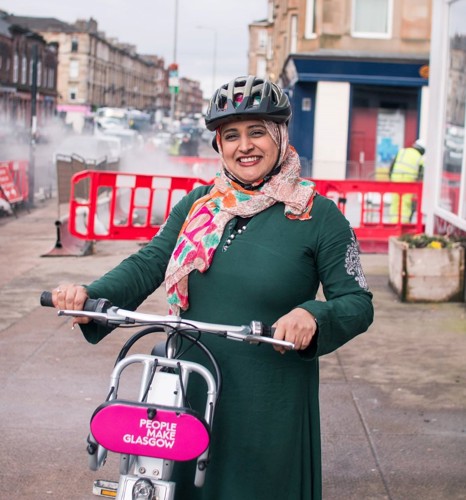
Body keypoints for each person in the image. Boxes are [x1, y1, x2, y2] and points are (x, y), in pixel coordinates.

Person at [50, 75, 374, 500]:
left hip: (268, 396)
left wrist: (312, 316)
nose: (245, 146)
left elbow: (356, 303)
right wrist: (88, 295)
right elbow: (150, 262)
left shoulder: (318, 216)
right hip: (189, 382)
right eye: (232, 135)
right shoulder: (199, 205)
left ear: (279, 136)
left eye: (257, 132)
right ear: (218, 145)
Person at [389, 139, 425, 223]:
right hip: (409, 182)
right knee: (406, 203)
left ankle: (393, 222)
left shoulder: (402, 151)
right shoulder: (420, 158)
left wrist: (391, 177)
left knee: (395, 201)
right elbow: (420, 175)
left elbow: (392, 165)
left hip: (396, 180)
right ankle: (403, 223)